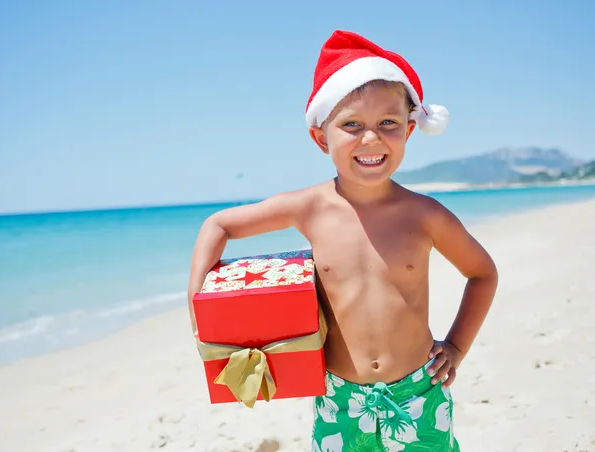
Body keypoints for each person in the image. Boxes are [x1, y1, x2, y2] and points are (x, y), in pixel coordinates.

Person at [187, 30, 498, 451]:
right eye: (351, 124)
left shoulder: (426, 215)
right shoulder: (308, 208)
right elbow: (218, 226)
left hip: (418, 394)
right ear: (321, 137)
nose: (370, 138)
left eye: (387, 123)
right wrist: (200, 312)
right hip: (337, 397)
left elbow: (482, 273)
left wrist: (457, 346)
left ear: (408, 131)